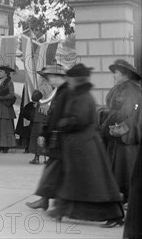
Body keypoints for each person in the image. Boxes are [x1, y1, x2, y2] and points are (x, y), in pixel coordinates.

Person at [46, 64, 124, 226]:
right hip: (79, 146)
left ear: (77, 80)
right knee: (75, 181)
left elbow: (79, 120)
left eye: (71, 78)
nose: (69, 81)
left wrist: (62, 123)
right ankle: (63, 209)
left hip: (85, 147)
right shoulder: (78, 94)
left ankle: (114, 215)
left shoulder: (82, 96)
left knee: (95, 183)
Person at [26, 64, 69, 211]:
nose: (51, 79)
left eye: (54, 77)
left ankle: (58, 203)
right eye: (50, 77)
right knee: (52, 172)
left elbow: (36, 98)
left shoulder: (62, 91)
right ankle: (45, 200)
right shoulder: (58, 90)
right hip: (56, 137)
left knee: (59, 173)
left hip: (64, 139)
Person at [100, 59, 142, 206]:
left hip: (125, 135)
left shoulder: (130, 89)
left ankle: (131, 200)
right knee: (120, 169)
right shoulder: (123, 88)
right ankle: (126, 198)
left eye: (116, 73)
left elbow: (128, 111)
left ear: (125, 75)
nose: (114, 76)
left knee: (126, 168)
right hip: (118, 134)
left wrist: (110, 119)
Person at [0, 66, 17, 153]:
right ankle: (0, 145)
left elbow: (11, 95)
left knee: (5, 127)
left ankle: (6, 146)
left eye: (1, 71)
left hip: (5, 107)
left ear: (6, 73)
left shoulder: (9, 82)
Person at [26, 90, 47, 164]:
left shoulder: (43, 86)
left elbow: (34, 97)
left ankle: (37, 157)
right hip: (46, 117)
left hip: (39, 117)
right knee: (44, 138)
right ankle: (47, 157)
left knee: (37, 138)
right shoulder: (53, 88)